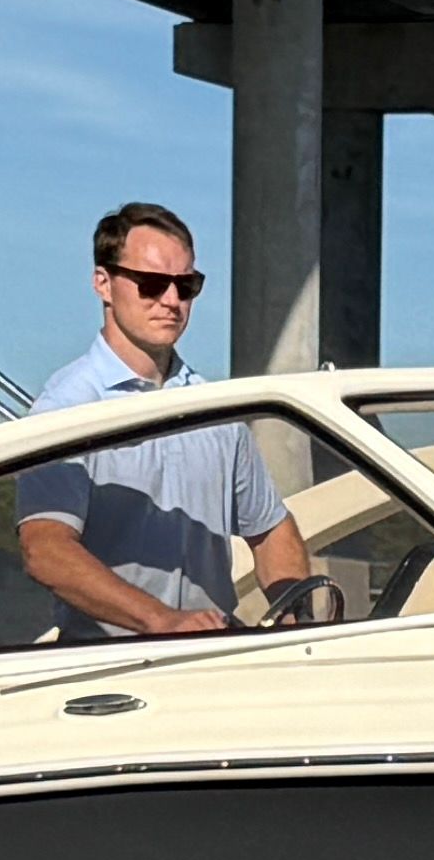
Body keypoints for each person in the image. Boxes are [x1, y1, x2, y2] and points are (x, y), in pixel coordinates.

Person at [19, 199, 311, 640]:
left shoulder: (217, 411)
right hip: (107, 665)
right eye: (152, 284)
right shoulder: (67, 407)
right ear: (103, 283)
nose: (172, 301)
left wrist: (297, 623)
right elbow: (45, 549)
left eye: (186, 285)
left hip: (211, 657)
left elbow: (270, 529)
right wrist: (161, 620)